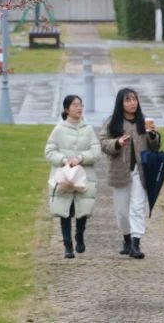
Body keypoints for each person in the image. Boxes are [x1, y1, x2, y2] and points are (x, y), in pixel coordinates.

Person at [99, 87, 159, 260]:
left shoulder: (143, 121)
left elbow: (154, 147)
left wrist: (153, 135)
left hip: (140, 172)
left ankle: (136, 243)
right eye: (128, 100)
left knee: (137, 207)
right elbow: (103, 143)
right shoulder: (112, 123)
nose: (133, 103)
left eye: (134, 99)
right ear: (121, 103)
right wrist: (117, 143)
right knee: (122, 211)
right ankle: (126, 238)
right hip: (120, 171)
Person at [44, 94, 102, 259]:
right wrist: (64, 160)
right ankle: (68, 245)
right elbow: (49, 152)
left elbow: (96, 152)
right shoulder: (59, 129)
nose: (79, 108)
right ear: (66, 109)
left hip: (84, 176)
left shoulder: (88, 129)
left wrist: (81, 158)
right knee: (65, 210)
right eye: (75, 105)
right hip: (65, 176)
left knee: (82, 210)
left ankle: (80, 235)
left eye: (81, 104)